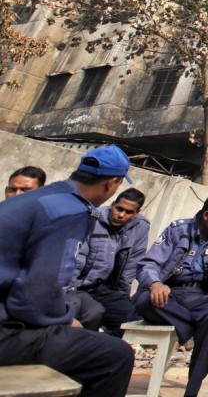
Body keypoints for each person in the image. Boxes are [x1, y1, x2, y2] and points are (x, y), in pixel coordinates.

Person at [0, 146, 136, 397]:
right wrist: (64, 319)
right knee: (116, 354)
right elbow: (34, 295)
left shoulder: (42, 198)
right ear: (111, 184)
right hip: (4, 331)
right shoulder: (70, 212)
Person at [135, 192, 208, 397]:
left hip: (203, 295)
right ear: (206, 215)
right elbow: (149, 263)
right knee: (145, 301)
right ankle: (201, 333)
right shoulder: (178, 230)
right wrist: (155, 283)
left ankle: (192, 390)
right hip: (170, 293)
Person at [66, 187, 150, 337]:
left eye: (128, 212)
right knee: (91, 313)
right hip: (78, 287)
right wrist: (66, 290)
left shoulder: (140, 227)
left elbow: (131, 265)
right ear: (112, 205)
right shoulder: (92, 219)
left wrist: (123, 297)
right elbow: (76, 260)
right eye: (119, 209)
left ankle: (101, 343)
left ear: (136, 214)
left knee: (129, 319)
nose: (121, 215)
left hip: (107, 290)